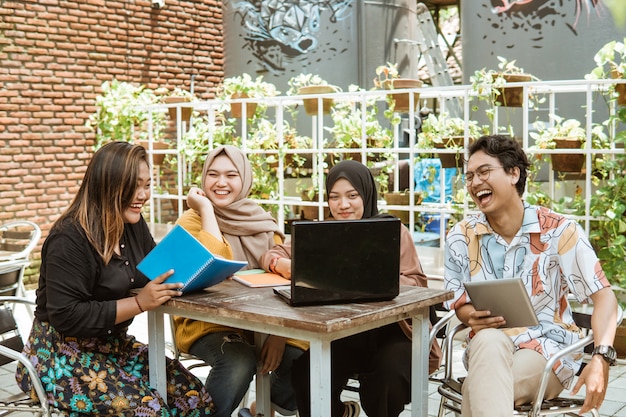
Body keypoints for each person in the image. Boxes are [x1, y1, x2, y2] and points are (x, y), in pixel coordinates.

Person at [15, 141, 215, 416]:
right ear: (106, 185)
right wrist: (140, 303)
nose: (142, 195)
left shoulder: (131, 224)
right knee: (150, 411)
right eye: (134, 186)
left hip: (112, 347)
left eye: (147, 185)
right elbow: (66, 314)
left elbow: (157, 270)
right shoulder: (69, 237)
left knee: (195, 398)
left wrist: (204, 260)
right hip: (59, 356)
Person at [444, 134, 618, 416]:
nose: (475, 183)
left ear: (514, 173)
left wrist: (602, 356)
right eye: (470, 176)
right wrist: (469, 315)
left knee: (477, 389)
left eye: (485, 171)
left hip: (547, 353)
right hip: (486, 350)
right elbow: (458, 302)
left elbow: (605, 298)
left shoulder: (560, 231)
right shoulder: (460, 237)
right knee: (487, 341)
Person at [260, 159, 442, 417]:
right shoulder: (324, 233)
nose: (343, 205)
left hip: (393, 333)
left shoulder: (391, 231)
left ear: (366, 194)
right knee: (305, 375)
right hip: (346, 333)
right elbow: (270, 254)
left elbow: (417, 283)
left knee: (386, 381)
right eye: (334, 197)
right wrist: (284, 265)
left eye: (352, 196)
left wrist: (371, 279)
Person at [172, 145, 307, 417]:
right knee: (238, 360)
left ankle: (264, 408)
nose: (221, 183)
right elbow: (213, 257)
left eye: (231, 175)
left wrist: (278, 334)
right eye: (213, 175)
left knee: (304, 353)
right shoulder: (190, 221)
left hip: (262, 324)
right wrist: (206, 210)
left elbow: (283, 284)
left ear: (244, 179)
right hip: (207, 323)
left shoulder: (260, 221)